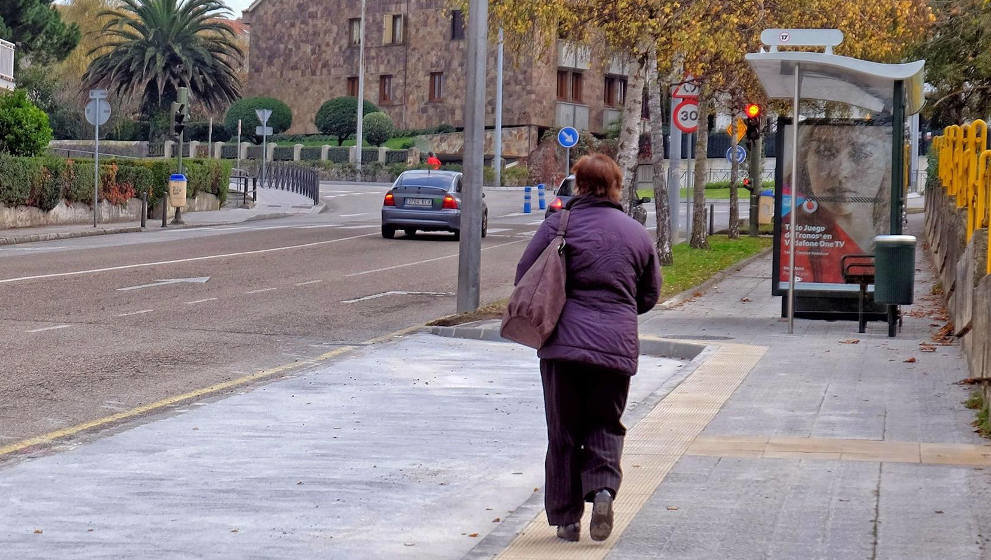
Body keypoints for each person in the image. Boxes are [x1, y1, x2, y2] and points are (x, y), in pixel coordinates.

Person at [513, 153, 661, 543]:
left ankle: (566, 520)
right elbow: (649, 295)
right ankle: (602, 492)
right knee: (605, 424)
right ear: (615, 186)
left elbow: (525, 277)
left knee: (563, 431)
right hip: (615, 348)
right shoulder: (636, 233)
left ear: (578, 184)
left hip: (562, 348)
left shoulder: (557, 225)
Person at [781, 122, 890, 284]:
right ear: (804, 161)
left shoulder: (890, 232)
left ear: (886, 164)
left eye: (861, 154)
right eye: (825, 152)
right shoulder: (791, 233)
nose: (841, 172)